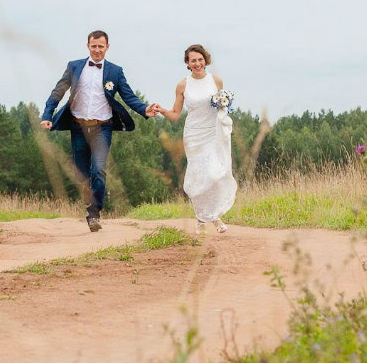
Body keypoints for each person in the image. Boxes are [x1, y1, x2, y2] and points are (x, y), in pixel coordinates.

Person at [41, 30, 159, 231]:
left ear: (107, 47)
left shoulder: (115, 71)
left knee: (99, 169)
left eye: (101, 46)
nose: (97, 50)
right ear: (88, 46)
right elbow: (58, 91)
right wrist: (47, 115)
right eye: (94, 46)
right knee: (82, 174)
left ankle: (94, 213)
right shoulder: (74, 67)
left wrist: (144, 109)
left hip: (102, 128)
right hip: (78, 126)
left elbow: (129, 97)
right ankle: (90, 203)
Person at [156, 44, 237, 233]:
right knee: (198, 175)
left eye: (200, 59)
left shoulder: (216, 81)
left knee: (214, 174)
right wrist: (162, 111)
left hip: (213, 132)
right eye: (193, 60)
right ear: (187, 63)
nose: (198, 63)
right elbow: (175, 114)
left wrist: (224, 109)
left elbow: (222, 106)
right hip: (193, 134)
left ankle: (214, 216)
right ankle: (202, 218)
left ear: (205, 60)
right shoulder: (183, 85)